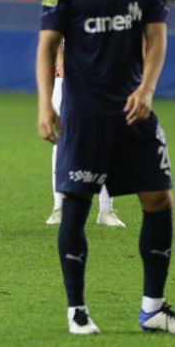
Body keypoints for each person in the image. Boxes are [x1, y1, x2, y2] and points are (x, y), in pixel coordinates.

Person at [36, 0, 175, 336]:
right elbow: (47, 46)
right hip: (85, 113)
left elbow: (157, 38)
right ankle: (77, 311)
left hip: (133, 110)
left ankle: (153, 309)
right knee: (75, 205)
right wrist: (44, 106)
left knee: (159, 199)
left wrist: (147, 88)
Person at [45, 43, 124, 227]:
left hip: (100, 78)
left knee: (105, 141)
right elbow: (54, 41)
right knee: (63, 141)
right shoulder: (67, 14)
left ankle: (106, 210)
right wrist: (61, 64)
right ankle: (59, 207)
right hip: (66, 79)